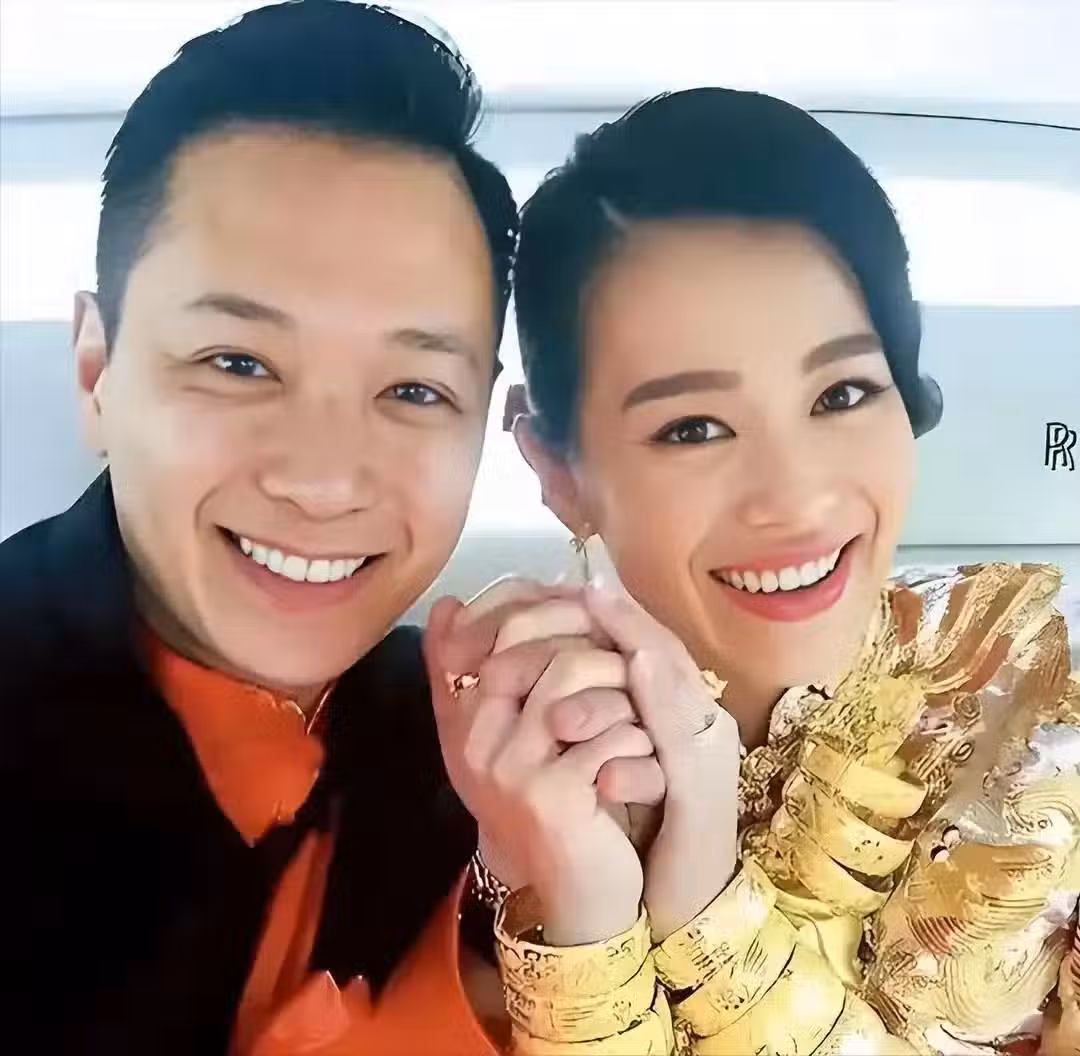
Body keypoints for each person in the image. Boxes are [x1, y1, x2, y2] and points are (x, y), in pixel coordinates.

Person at [421, 88, 1080, 1054]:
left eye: (842, 393)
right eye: (694, 427)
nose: (795, 497)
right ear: (558, 471)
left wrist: (704, 913)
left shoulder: (1049, 703)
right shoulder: (474, 765)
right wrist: (577, 901)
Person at [0, 2, 519, 1052]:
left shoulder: (479, 751)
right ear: (96, 370)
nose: (322, 483)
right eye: (238, 364)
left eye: (415, 390)